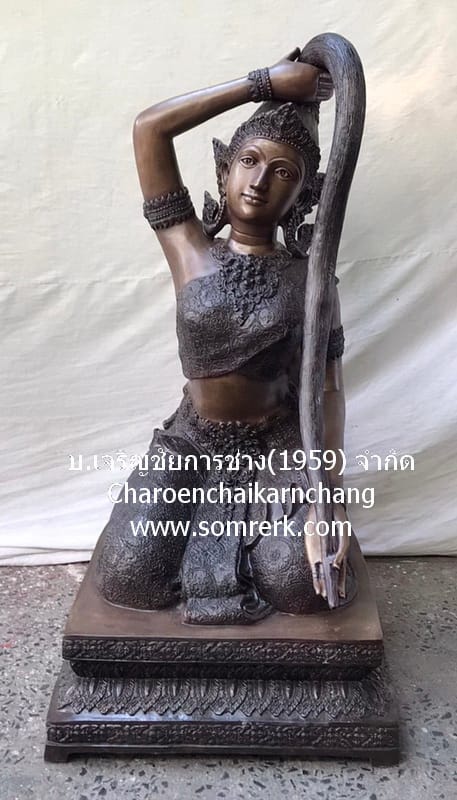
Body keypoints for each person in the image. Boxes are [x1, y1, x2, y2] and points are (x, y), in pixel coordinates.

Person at [94, 49, 354, 624]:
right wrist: (260, 83)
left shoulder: (312, 282)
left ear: (305, 196)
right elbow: (150, 130)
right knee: (127, 574)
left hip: (278, 447)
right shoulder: (188, 249)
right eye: (249, 161)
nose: (259, 182)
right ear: (223, 169)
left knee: (303, 586)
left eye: (283, 173)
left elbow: (328, 389)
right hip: (191, 441)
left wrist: (326, 491)